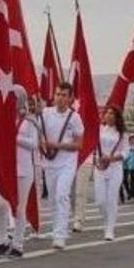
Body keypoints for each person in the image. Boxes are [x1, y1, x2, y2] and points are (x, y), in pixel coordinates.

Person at [39, 82, 84, 249]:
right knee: (52, 199)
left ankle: (60, 235)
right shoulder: (45, 113)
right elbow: (38, 135)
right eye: (58, 94)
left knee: (62, 196)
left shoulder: (75, 117)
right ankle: (56, 229)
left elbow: (79, 145)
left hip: (67, 162)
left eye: (64, 95)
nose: (60, 98)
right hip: (50, 163)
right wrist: (41, 143)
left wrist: (56, 145)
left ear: (70, 98)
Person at [3, 89, 39, 257]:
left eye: (15, 98)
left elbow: (33, 144)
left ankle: (18, 244)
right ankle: (5, 239)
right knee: (3, 205)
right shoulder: (5, 119)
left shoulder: (30, 120)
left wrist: (14, 138)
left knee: (20, 208)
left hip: (24, 170)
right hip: (8, 168)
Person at [94, 106, 129, 240]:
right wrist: (97, 159)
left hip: (115, 168)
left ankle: (110, 229)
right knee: (100, 201)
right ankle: (106, 222)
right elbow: (94, 147)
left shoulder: (122, 134)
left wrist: (112, 158)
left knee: (111, 199)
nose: (108, 115)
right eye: (107, 113)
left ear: (116, 117)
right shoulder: (100, 130)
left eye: (111, 113)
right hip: (100, 168)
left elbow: (126, 153)